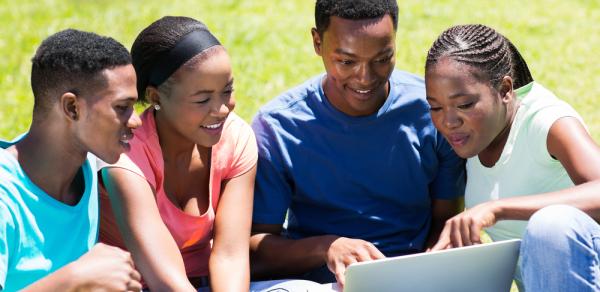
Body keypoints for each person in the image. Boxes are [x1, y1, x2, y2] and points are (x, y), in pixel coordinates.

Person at [250, 0, 465, 286]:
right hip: (319, 284)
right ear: (317, 42)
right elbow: (255, 253)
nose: (365, 78)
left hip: (412, 277)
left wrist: (427, 269)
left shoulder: (433, 112)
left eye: (382, 58)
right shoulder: (278, 127)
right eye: (347, 61)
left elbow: (445, 222)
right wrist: (327, 247)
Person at [425, 24, 600, 291]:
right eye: (435, 107)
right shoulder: (467, 138)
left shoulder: (547, 122)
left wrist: (497, 209)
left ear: (505, 89)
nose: (448, 121)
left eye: (465, 105)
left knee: (550, 225)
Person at [99, 16, 257, 291]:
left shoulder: (236, 138)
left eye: (227, 90)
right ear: (156, 97)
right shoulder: (124, 154)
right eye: (203, 99)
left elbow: (231, 255)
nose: (221, 109)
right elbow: (164, 278)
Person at [0, 29, 142, 291]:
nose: (136, 120)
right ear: (72, 108)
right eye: (122, 108)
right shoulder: (5, 198)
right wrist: (76, 277)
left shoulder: (89, 162)